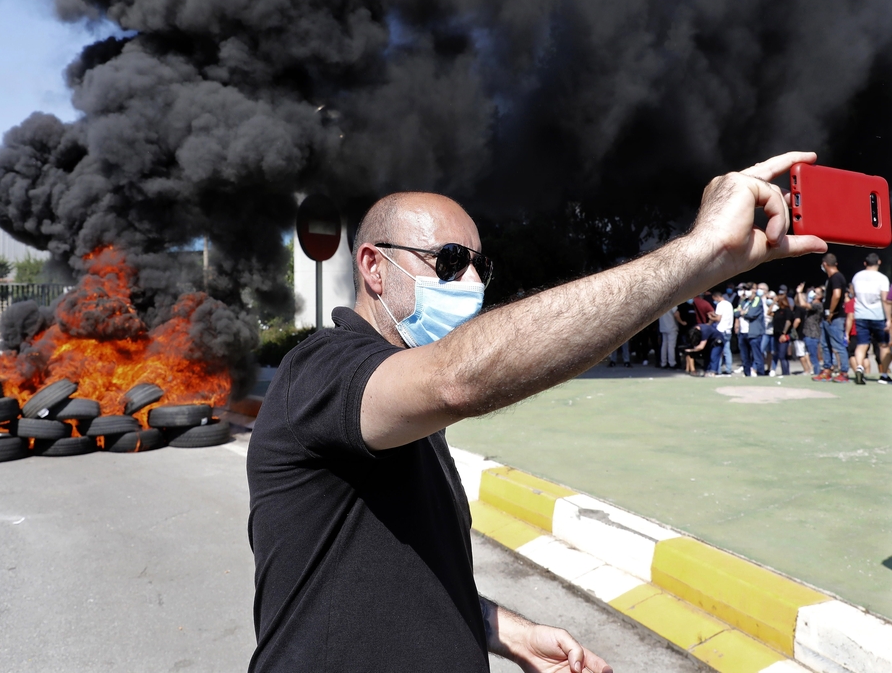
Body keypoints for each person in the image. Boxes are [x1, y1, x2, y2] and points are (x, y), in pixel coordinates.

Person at [246, 151, 825, 673]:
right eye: (449, 262)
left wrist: (509, 632)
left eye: (478, 265)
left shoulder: (404, 416)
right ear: (374, 269)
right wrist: (699, 253)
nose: (471, 281)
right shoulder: (321, 371)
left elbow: (398, 571)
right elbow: (458, 377)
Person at [849, 253, 891, 385]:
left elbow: (854, 295)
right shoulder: (882, 278)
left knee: (862, 345)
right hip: (878, 315)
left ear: (865, 263)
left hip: (860, 315)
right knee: (883, 346)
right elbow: (885, 300)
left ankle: (859, 367)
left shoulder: (857, 277)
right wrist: (889, 318)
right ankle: (884, 374)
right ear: (879, 262)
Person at [815, 253, 849, 382]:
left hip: (834, 317)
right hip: (829, 317)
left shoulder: (836, 277)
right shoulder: (833, 278)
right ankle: (827, 370)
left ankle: (844, 373)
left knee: (838, 345)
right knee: (825, 344)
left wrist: (831, 311)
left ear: (825, 264)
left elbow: (837, 294)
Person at [740, 284, 766, 377]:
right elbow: (736, 312)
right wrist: (741, 312)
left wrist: (742, 312)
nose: (745, 291)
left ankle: (761, 374)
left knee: (757, 356)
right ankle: (747, 375)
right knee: (744, 357)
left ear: (754, 290)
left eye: (748, 289)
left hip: (754, 332)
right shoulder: (744, 301)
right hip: (742, 332)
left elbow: (752, 314)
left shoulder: (757, 300)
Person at [770, 293, 794, 376]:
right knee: (779, 354)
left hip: (783, 334)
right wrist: (773, 303)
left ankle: (785, 372)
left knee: (782, 355)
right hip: (776, 335)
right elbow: (769, 313)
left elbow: (788, 322)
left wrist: (784, 333)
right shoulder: (777, 311)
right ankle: (785, 372)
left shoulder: (787, 310)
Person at [711, 291, 734, 375]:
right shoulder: (729, 304)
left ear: (717, 297)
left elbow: (718, 319)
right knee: (727, 351)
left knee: (719, 351)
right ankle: (728, 369)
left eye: (714, 299)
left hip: (721, 330)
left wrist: (711, 317)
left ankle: (718, 369)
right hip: (728, 329)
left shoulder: (720, 305)